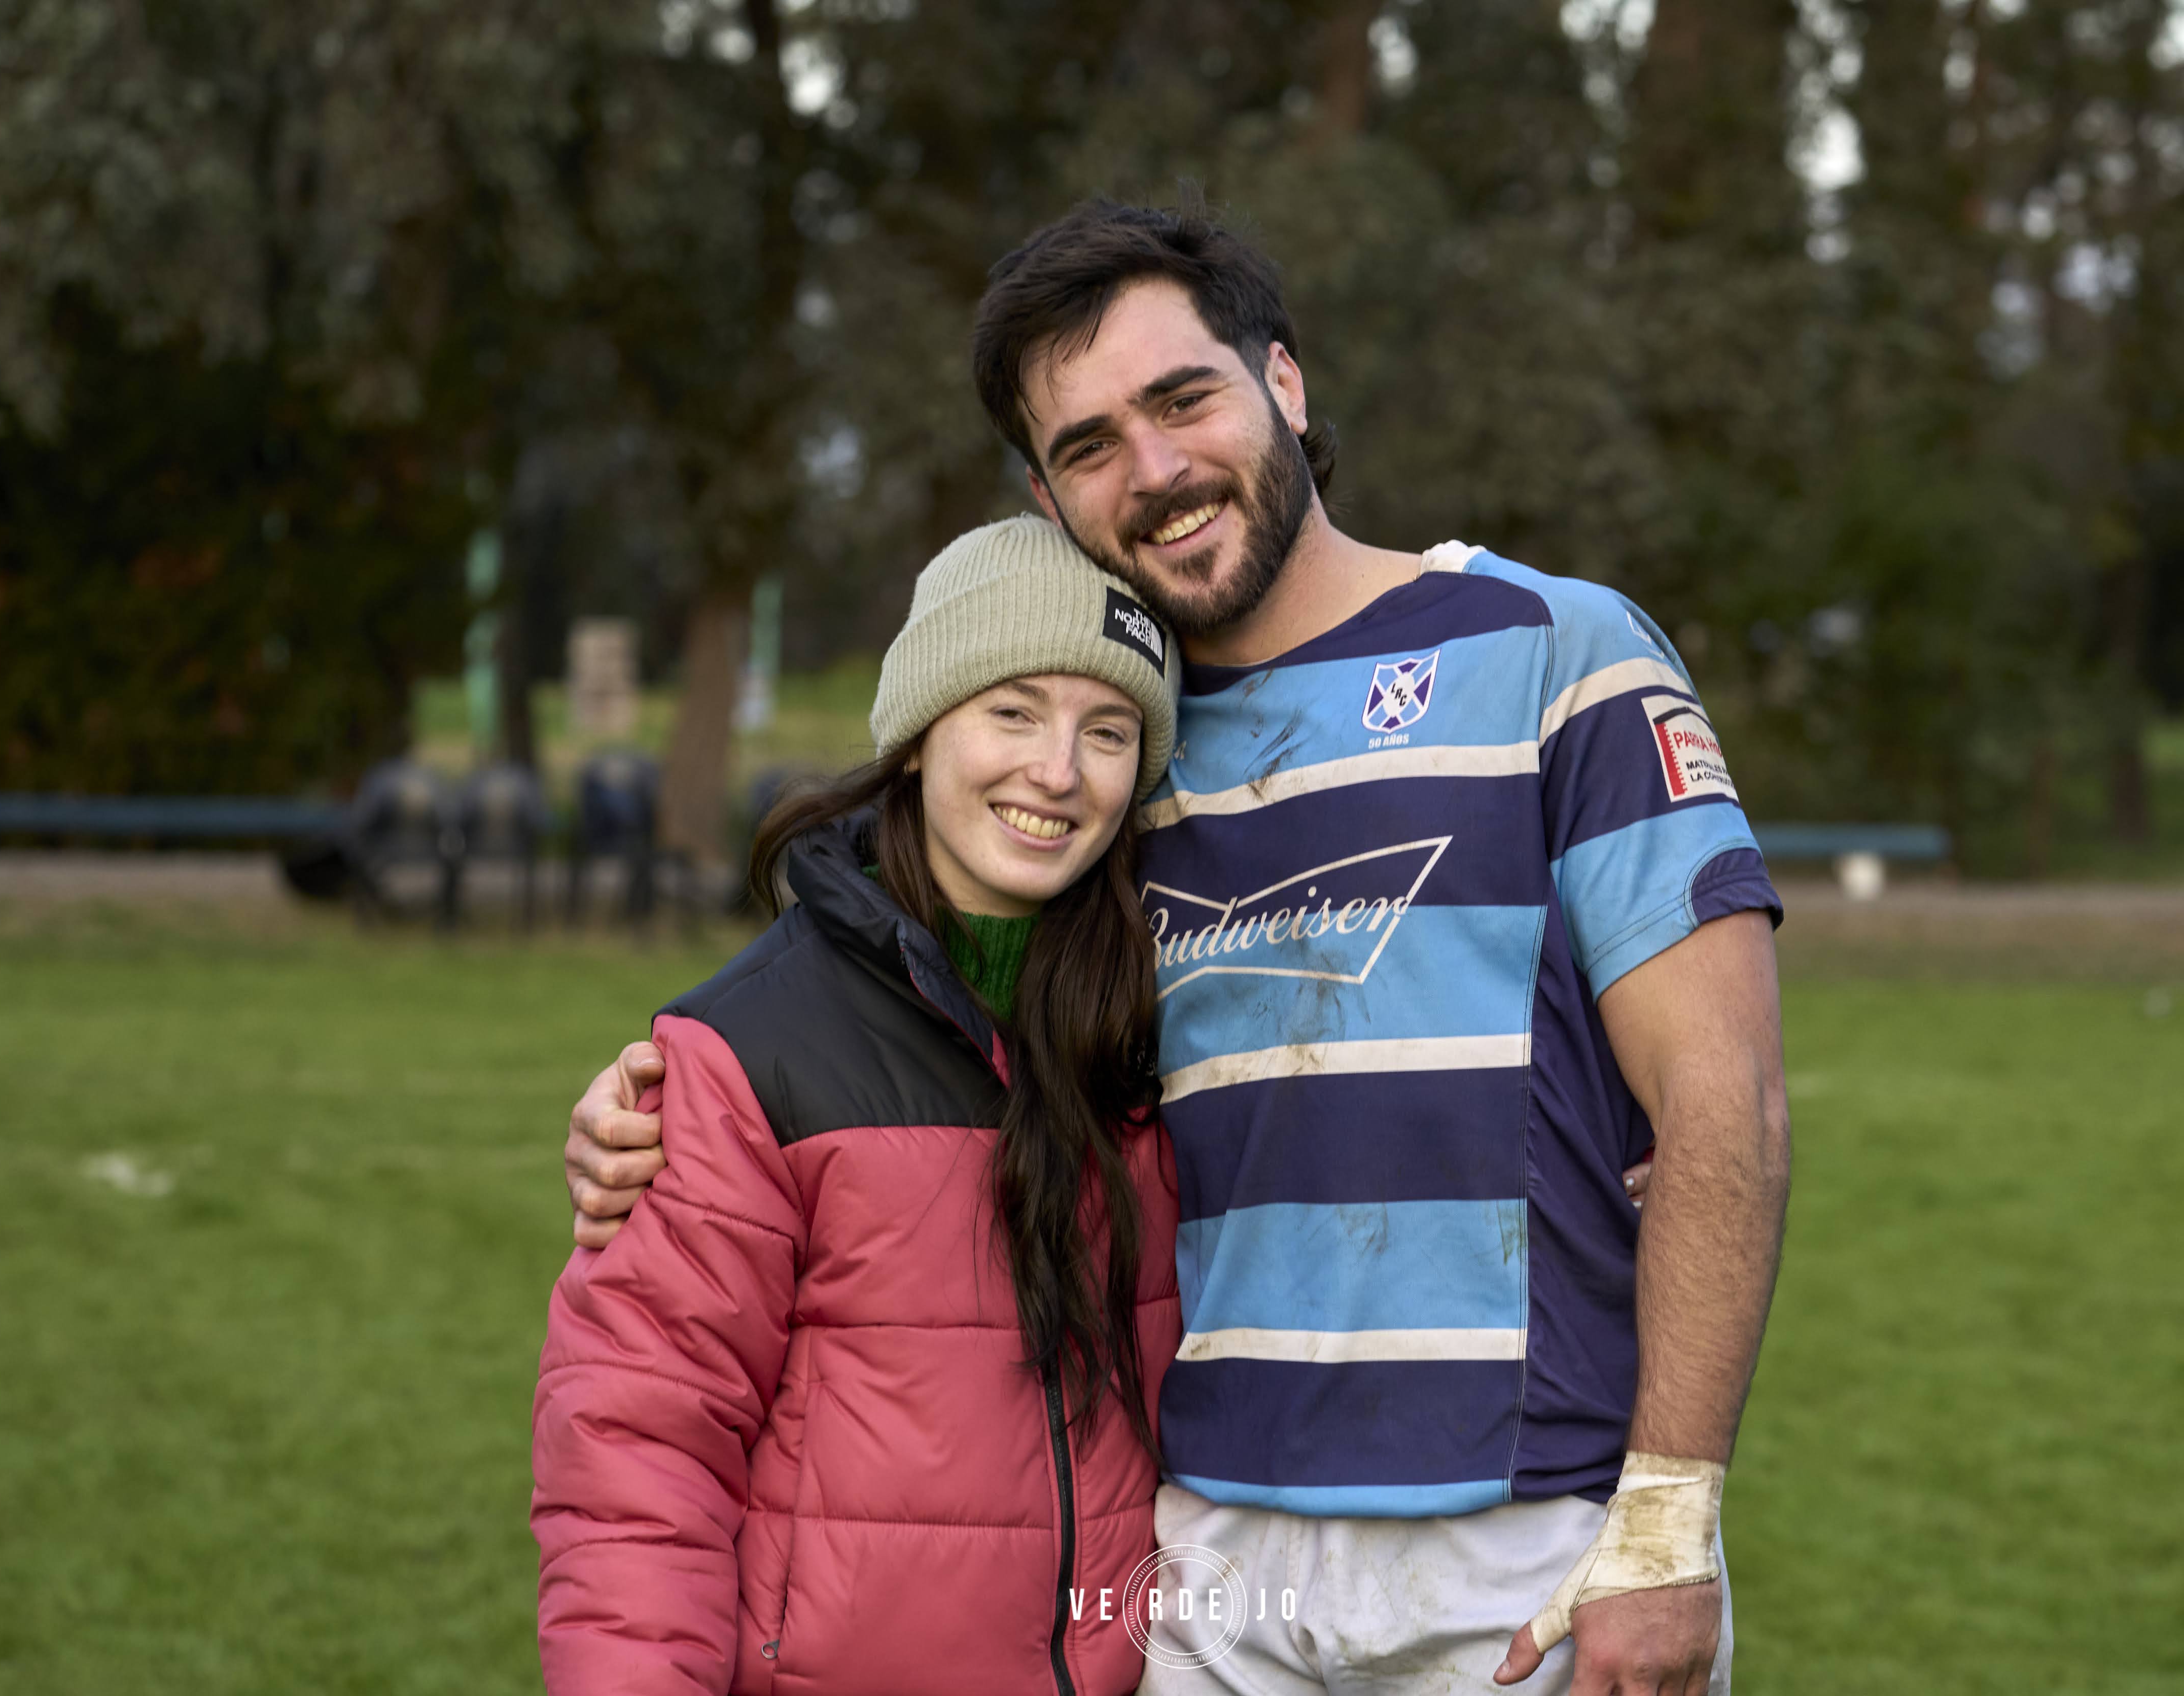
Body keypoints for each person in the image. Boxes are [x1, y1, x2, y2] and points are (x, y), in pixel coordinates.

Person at [565, 197, 1791, 1695]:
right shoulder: (1101, 766)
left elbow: (1725, 1108)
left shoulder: (1558, 650)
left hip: (1527, 1541)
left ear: (1282, 384)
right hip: (1208, 1566)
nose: (1151, 470)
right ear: (1047, 496)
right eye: (1087, 446)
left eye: (1181, 398)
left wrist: (1667, 1524)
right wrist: (668, 1109)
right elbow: (937, 1021)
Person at [532, 516, 1187, 1694]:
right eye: (1012, 711)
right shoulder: (751, 1052)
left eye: (1107, 730)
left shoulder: (1167, 1029)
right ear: (922, 728)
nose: (1057, 770)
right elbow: (637, 1451)